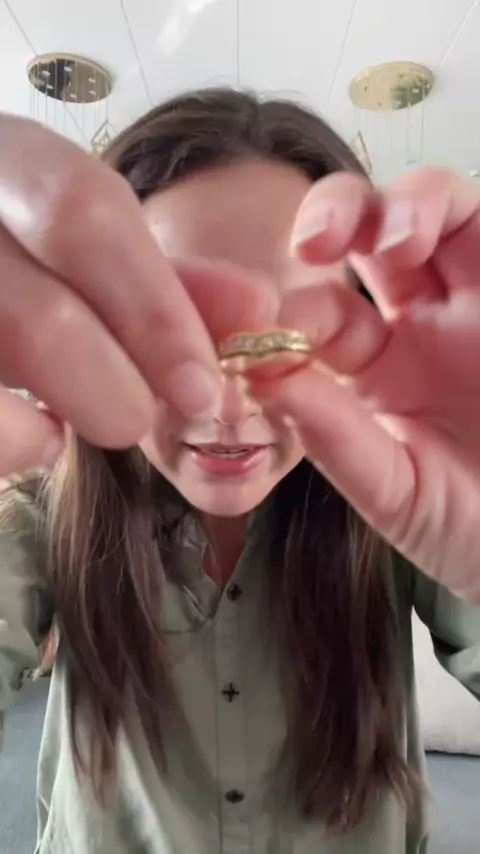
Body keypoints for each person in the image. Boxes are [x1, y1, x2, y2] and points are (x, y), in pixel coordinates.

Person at [0, 87, 480, 854]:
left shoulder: (408, 515)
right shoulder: (43, 510)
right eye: (175, 332)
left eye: (288, 340)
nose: (229, 409)